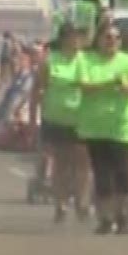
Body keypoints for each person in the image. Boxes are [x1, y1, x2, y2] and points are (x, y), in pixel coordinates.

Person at [75, 22, 128, 235]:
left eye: (115, 38)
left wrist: (125, 87)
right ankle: (105, 218)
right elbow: (85, 86)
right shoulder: (86, 61)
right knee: (102, 174)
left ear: (120, 42)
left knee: (122, 174)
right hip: (95, 126)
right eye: (107, 37)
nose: (111, 41)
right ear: (99, 40)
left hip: (122, 126)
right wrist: (110, 83)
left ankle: (121, 214)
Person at [31, 22, 91, 224]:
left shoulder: (87, 62)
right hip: (55, 119)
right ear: (63, 40)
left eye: (79, 38)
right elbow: (37, 91)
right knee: (61, 164)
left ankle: (81, 202)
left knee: (83, 164)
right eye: (72, 37)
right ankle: (61, 204)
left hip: (81, 120)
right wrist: (33, 120)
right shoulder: (50, 61)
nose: (76, 42)